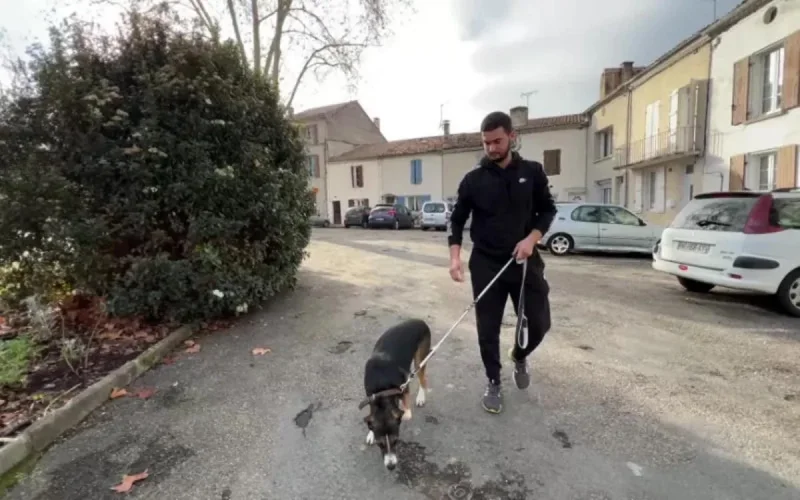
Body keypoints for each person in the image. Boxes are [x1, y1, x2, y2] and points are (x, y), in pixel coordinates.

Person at [447, 111, 557, 414]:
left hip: (525, 261)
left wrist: (531, 238)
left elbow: (548, 211)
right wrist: (455, 258)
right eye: (486, 143)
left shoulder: (532, 172)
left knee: (539, 323)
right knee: (488, 329)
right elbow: (456, 221)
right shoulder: (473, 180)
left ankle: (519, 354)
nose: (492, 148)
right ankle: (493, 381)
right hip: (486, 263)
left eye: (497, 141)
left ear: (512, 136)